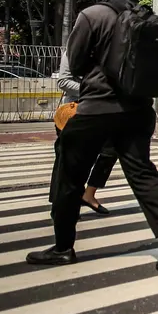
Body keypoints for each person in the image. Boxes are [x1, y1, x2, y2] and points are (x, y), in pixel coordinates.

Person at [29, 0, 158, 269]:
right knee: (143, 174)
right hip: (139, 109)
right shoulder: (142, 14)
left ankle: (63, 247)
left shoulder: (92, 15)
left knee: (69, 175)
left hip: (97, 110)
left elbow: (73, 66)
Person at [50, 49, 118, 215]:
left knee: (112, 150)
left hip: (103, 110)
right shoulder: (73, 50)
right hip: (76, 111)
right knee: (67, 160)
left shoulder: (108, 50)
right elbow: (64, 81)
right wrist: (93, 90)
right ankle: (60, 204)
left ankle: (89, 194)